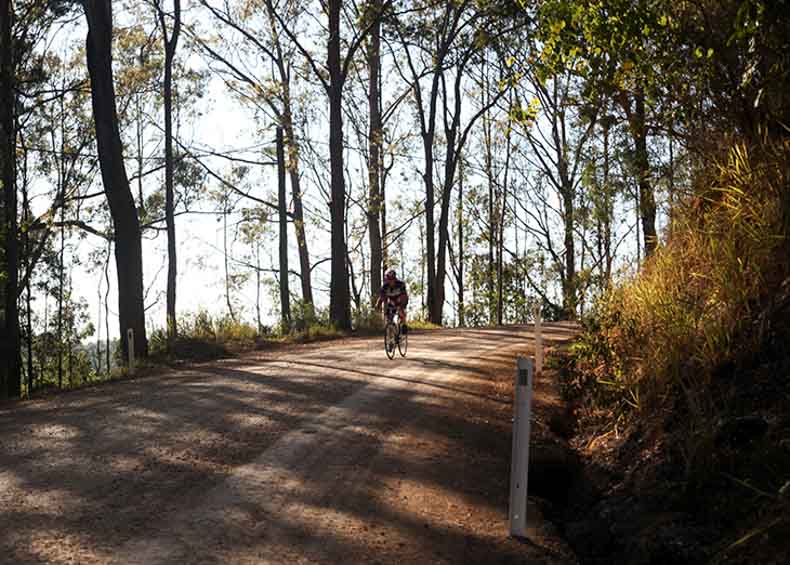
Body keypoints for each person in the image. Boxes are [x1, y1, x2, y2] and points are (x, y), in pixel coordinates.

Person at [376, 269, 408, 334]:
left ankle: (404, 324)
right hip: (392, 302)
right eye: (389, 280)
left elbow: (404, 296)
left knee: (400, 311)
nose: (391, 281)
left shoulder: (400, 284)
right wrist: (378, 305)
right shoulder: (385, 287)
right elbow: (381, 297)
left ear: (395, 279)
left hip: (401, 300)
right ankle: (391, 334)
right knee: (388, 317)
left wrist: (401, 306)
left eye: (392, 279)